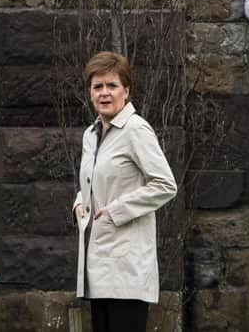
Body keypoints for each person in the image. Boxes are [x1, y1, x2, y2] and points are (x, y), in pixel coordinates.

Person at [73, 51, 177, 332]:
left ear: (126, 91)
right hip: (98, 264)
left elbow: (166, 184)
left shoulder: (136, 130)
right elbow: (91, 183)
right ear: (90, 93)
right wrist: (79, 203)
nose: (104, 93)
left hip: (128, 267)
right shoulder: (90, 134)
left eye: (112, 86)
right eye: (97, 87)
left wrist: (117, 210)